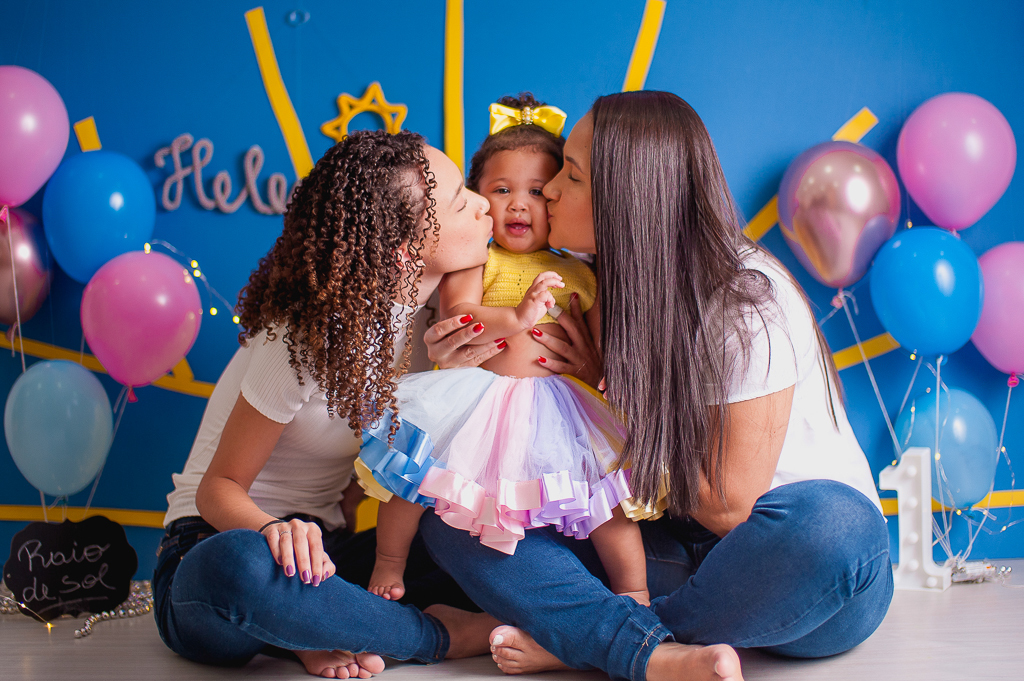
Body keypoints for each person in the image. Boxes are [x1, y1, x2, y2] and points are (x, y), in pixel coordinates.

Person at [419, 91, 893, 681]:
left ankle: (589, 638)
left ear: (627, 197)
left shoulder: (743, 300)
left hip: (791, 569)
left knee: (839, 526)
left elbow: (728, 507)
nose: (550, 193)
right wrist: (458, 357)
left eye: (570, 175)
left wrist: (604, 389)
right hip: (667, 548)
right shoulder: (594, 285)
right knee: (452, 513)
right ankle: (630, 639)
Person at [155, 130, 504, 679]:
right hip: (223, 539)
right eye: (463, 200)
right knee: (237, 569)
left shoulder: (428, 324)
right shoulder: (306, 334)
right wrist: (274, 530)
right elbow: (216, 490)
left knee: (467, 536)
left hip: (325, 557)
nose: (485, 204)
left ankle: (310, 628)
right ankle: (434, 637)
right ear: (407, 251)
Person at [358, 94, 650, 608]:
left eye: (537, 191)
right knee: (414, 474)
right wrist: (516, 317)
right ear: (477, 198)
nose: (519, 203)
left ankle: (634, 589)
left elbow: (605, 346)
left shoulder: (582, 270)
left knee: (607, 502)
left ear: (558, 198)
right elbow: (458, 310)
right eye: (501, 189)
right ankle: (388, 561)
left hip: (562, 409)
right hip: (480, 400)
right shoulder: (478, 258)